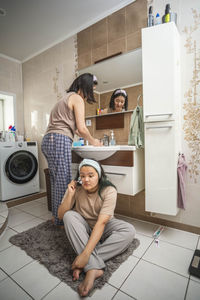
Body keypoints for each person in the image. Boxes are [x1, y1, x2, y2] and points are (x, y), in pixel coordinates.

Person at [58, 159, 135, 297]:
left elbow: (101, 223)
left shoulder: (109, 190)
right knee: (69, 216)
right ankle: (93, 269)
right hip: (84, 227)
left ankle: (86, 263)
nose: (86, 179)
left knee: (129, 230)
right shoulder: (76, 188)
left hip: (103, 226)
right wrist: (70, 195)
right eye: (82, 176)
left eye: (91, 175)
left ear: (99, 175)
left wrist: (85, 255)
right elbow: (60, 216)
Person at [41, 73, 102, 226]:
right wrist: (94, 141)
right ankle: (61, 221)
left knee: (57, 181)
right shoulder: (77, 98)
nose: (90, 95)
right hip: (59, 140)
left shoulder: (65, 98)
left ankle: (56, 216)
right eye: (90, 90)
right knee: (63, 183)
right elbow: (81, 128)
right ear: (84, 87)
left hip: (49, 140)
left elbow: (74, 128)